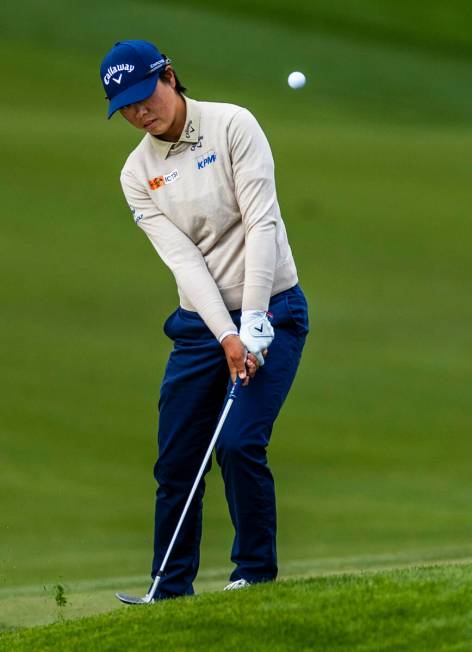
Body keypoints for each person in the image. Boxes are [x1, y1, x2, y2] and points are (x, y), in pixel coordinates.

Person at [99, 39, 309, 601]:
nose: (142, 113)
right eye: (127, 108)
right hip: (201, 327)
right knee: (177, 459)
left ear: (169, 76)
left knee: (238, 444)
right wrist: (226, 334)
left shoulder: (233, 125)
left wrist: (256, 319)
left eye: (146, 96)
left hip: (275, 309)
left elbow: (261, 222)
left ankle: (254, 577)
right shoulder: (136, 174)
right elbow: (184, 260)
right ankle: (169, 590)